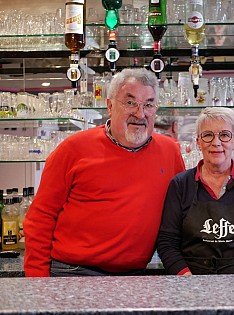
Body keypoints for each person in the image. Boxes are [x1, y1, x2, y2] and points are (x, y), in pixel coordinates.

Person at [23, 68, 185, 277]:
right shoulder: (73, 149)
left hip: (135, 276)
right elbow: (40, 218)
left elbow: (180, 215)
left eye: (149, 104)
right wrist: (37, 283)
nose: (140, 113)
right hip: (74, 272)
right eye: (130, 102)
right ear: (110, 106)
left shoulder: (170, 151)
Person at [157, 107, 234, 275]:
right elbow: (167, 242)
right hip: (192, 284)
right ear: (198, 142)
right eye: (208, 135)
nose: (216, 143)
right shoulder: (180, 185)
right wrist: (186, 279)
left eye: (224, 135)